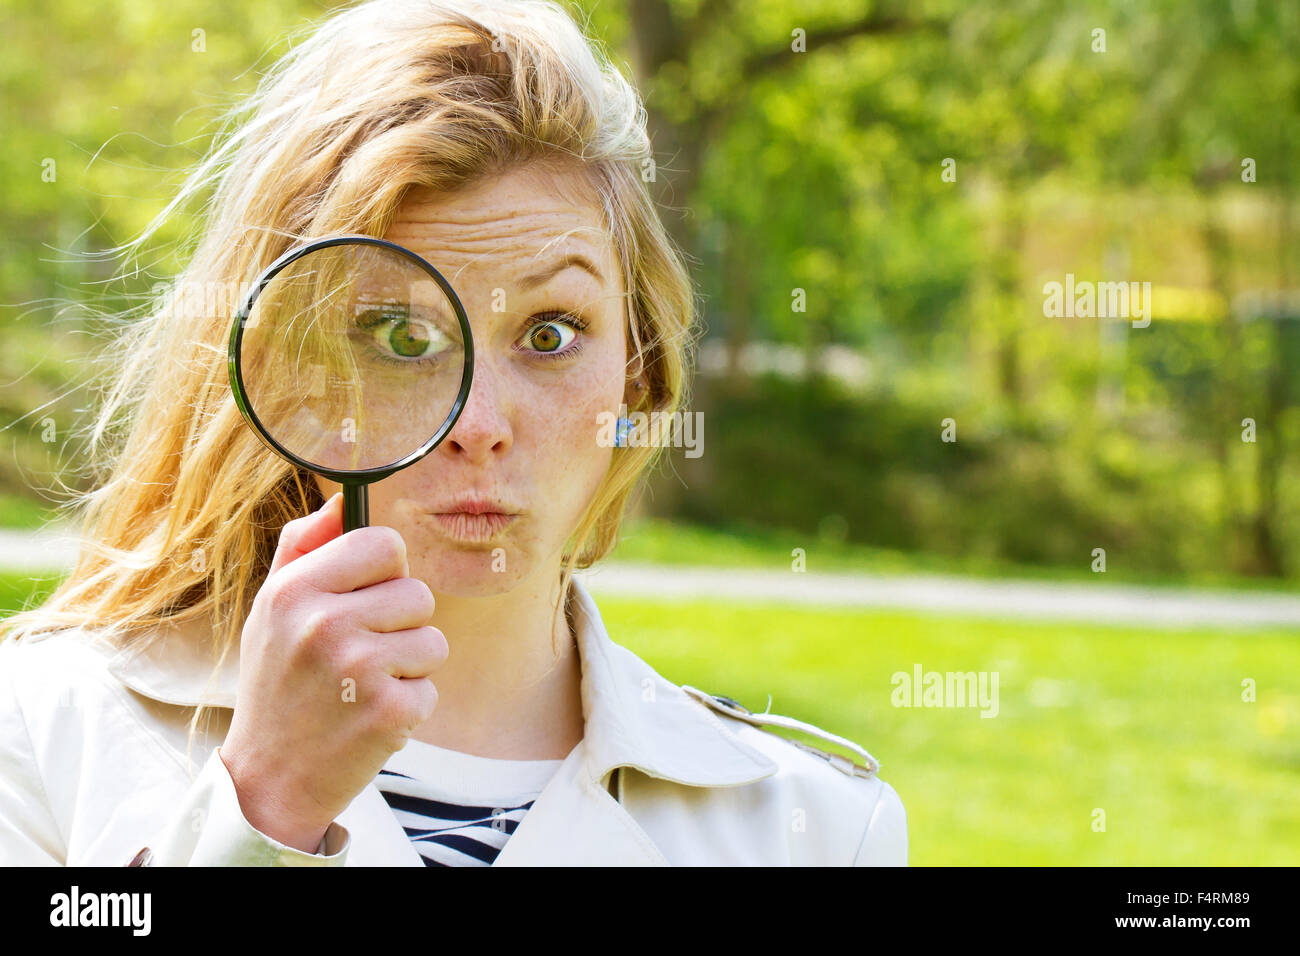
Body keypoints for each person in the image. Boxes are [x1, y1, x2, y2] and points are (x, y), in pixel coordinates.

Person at [0, 0, 906, 866]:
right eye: (401, 338)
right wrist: (265, 808)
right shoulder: (45, 731)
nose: (478, 426)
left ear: (640, 374)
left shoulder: (813, 826)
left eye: (549, 334)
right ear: (288, 372)